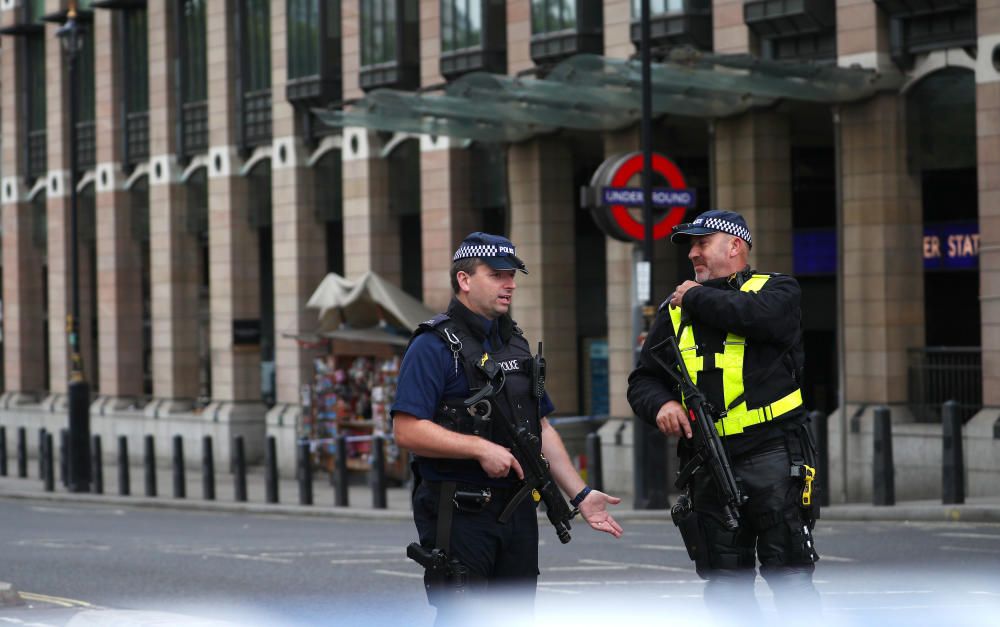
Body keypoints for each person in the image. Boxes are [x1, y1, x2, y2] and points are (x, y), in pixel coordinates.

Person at [393, 232, 622, 625]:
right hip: (462, 513)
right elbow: (407, 430)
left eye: (513, 274)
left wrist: (579, 493)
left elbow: (541, 427)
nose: (510, 283)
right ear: (465, 280)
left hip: (516, 513)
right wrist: (479, 449)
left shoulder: (514, 342)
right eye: (498, 274)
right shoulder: (431, 345)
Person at [627, 209, 820, 618]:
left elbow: (755, 317)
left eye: (702, 243)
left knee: (789, 576)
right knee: (725, 584)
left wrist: (694, 295)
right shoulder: (674, 310)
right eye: (690, 246)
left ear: (735, 246)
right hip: (709, 464)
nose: (693, 253)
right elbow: (643, 380)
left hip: (773, 455)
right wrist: (661, 404)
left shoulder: (777, 290)